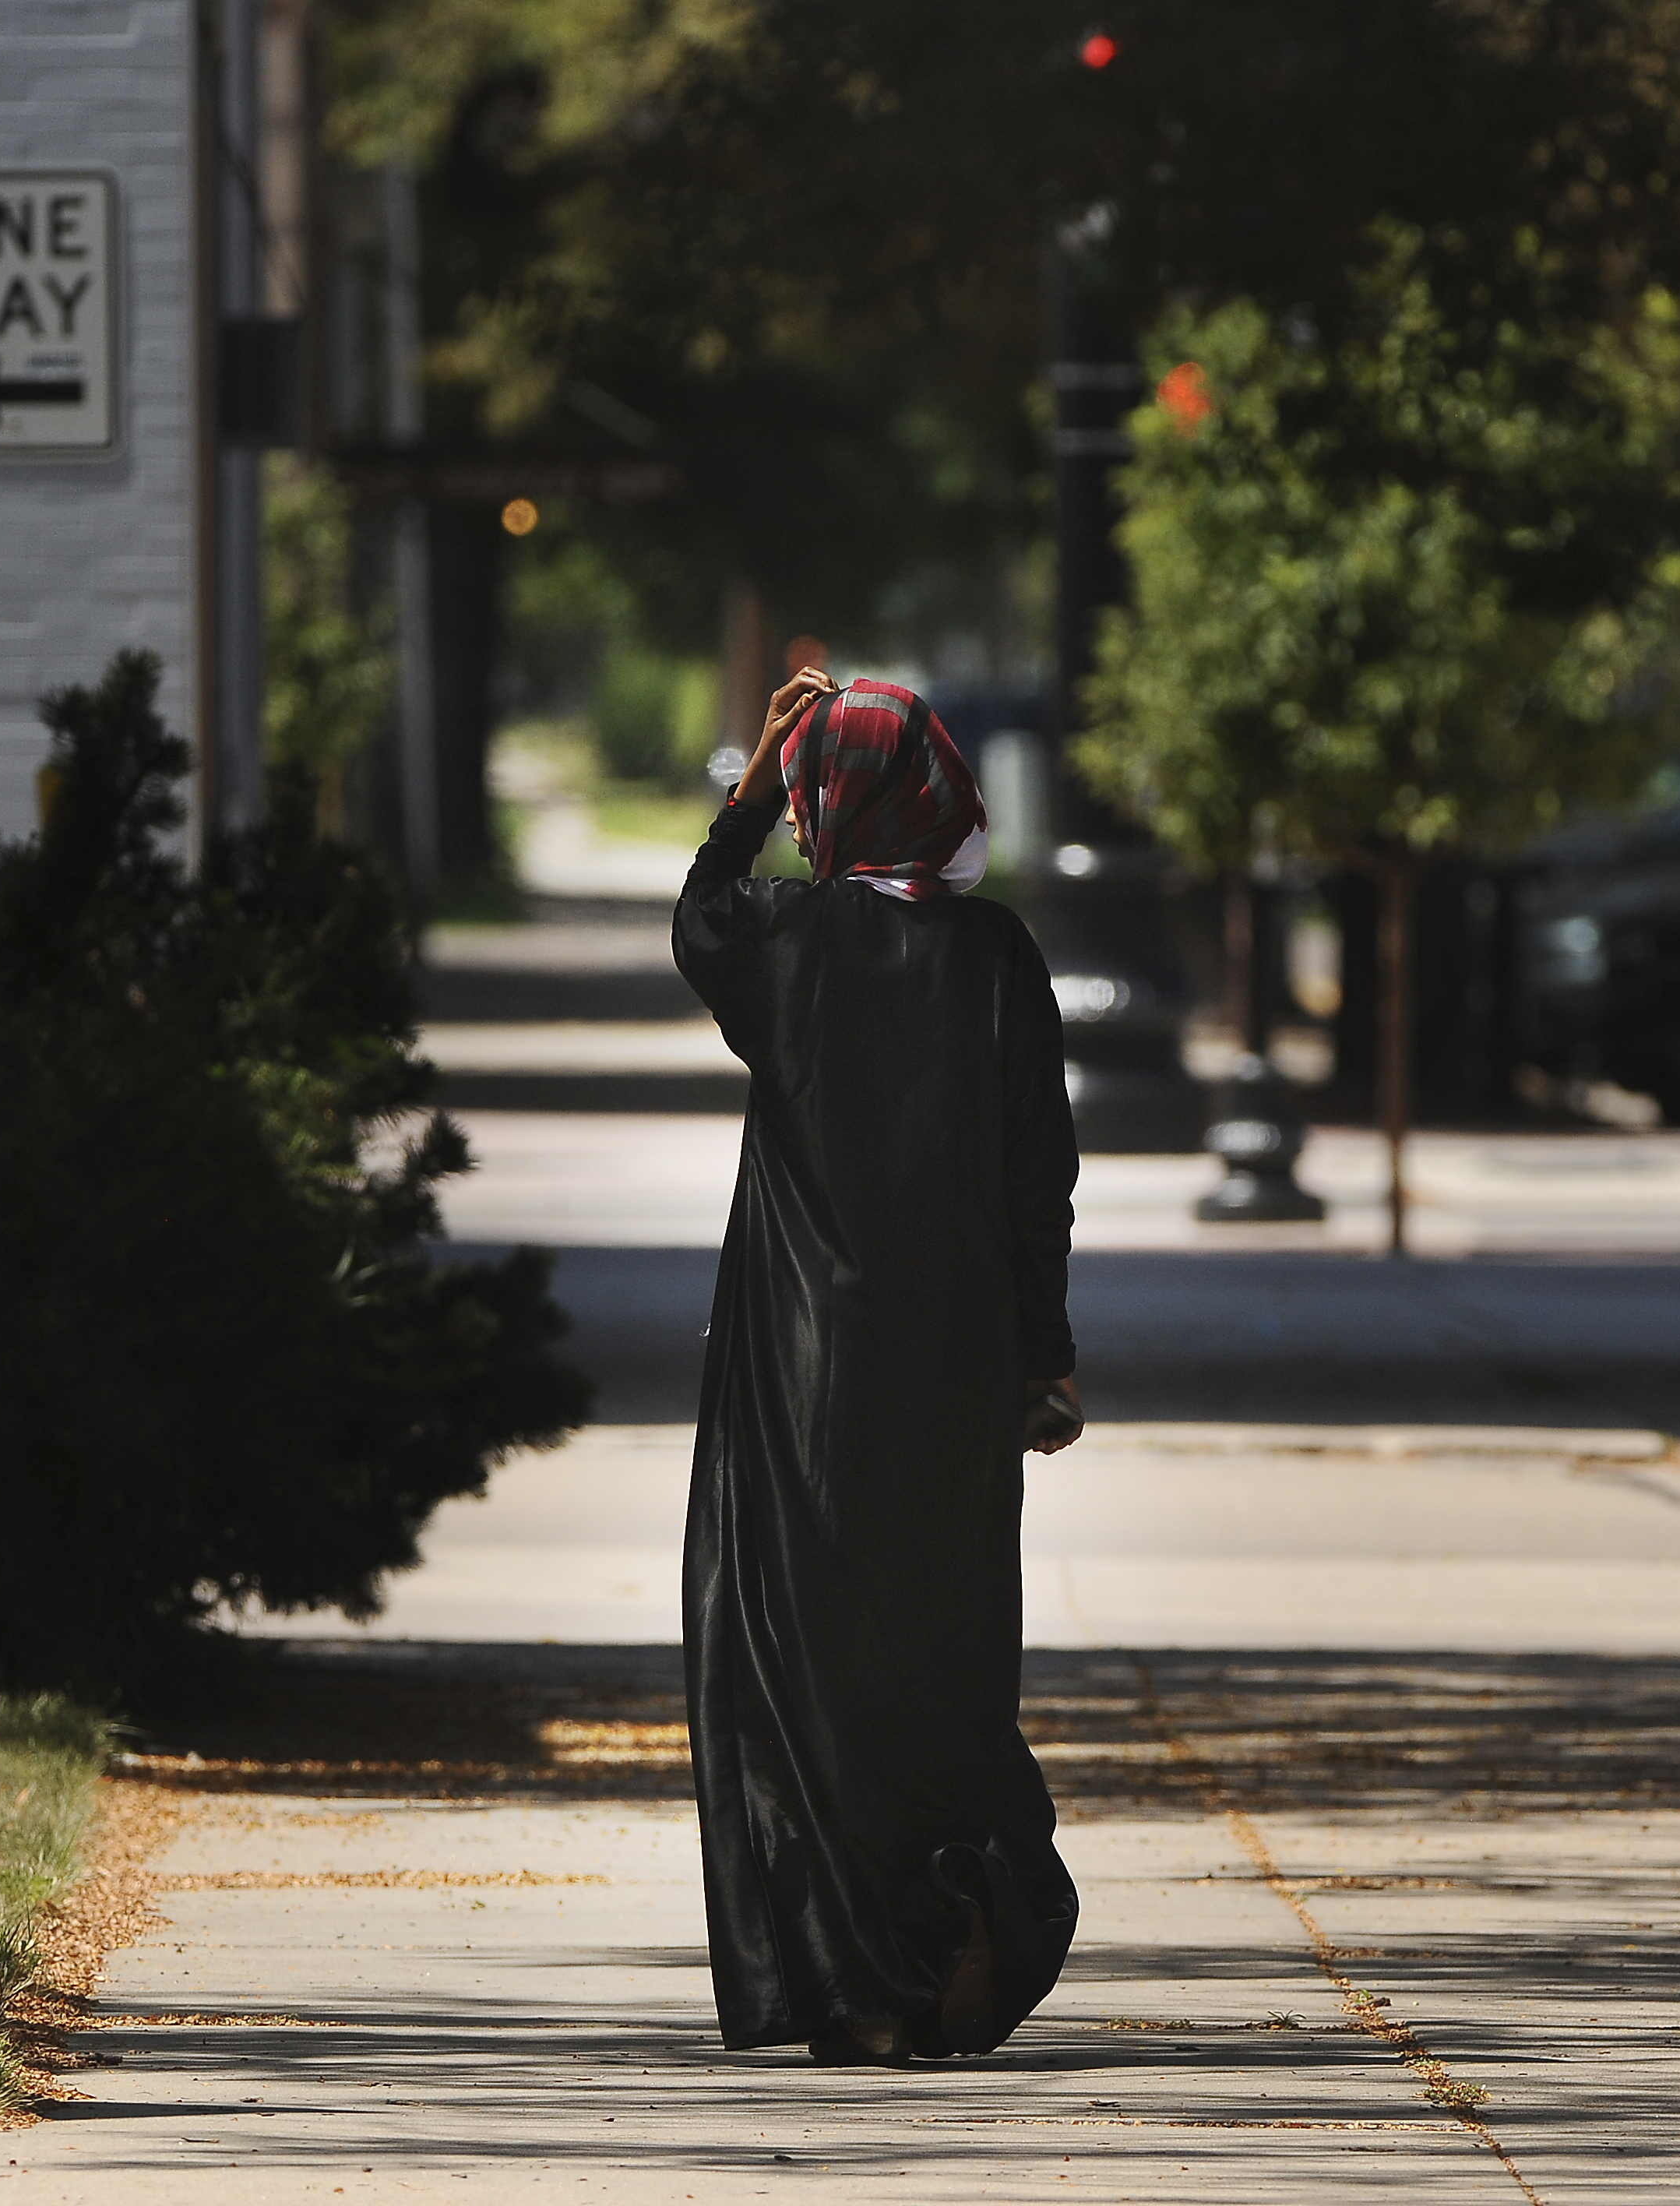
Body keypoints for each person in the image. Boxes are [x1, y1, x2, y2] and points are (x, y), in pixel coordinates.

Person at [671, 665, 1087, 2067]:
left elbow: (701, 921)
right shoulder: (999, 959)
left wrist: (742, 802)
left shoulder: (790, 949)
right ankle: (958, 1914)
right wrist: (1049, 1362)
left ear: (819, 799)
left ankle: (854, 1980)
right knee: (945, 1665)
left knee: (804, 1678)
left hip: (804, 1386)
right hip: (957, 1379)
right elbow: (1043, 1184)